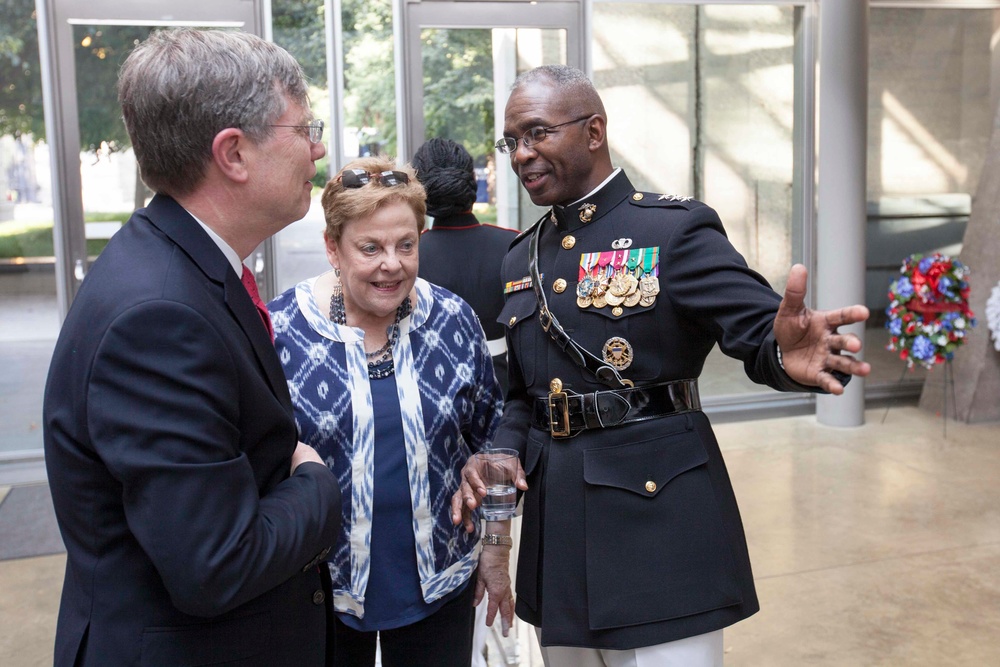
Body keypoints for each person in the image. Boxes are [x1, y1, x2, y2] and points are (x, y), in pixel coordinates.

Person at [452, 65, 872, 666]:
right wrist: (504, 452)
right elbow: (522, 395)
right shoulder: (524, 255)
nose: (522, 154)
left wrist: (783, 351)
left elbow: (756, 331)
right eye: (512, 140)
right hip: (560, 533)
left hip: (658, 530)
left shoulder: (672, 230)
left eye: (538, 133)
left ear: (594, 131)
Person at [42, 29, 342, 667]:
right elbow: (218, 564)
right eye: (304, 127)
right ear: (233, 153)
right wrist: (316, 480)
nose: (318, 149)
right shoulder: (158, 318)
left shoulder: (182, 265)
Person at [267, 156, 506, 667]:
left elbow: (493, 440)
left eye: (406, 245)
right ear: (333, 247)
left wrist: (495, 547)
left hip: (441, 579)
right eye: (369, 247)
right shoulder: (280, 331)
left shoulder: (452, 320)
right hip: (318, 589)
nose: (391, 264)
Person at [413, 138, 519, 395]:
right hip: (506, 388)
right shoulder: (514, 244)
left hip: (430, 387)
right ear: (471, 180)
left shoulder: (410, 255)